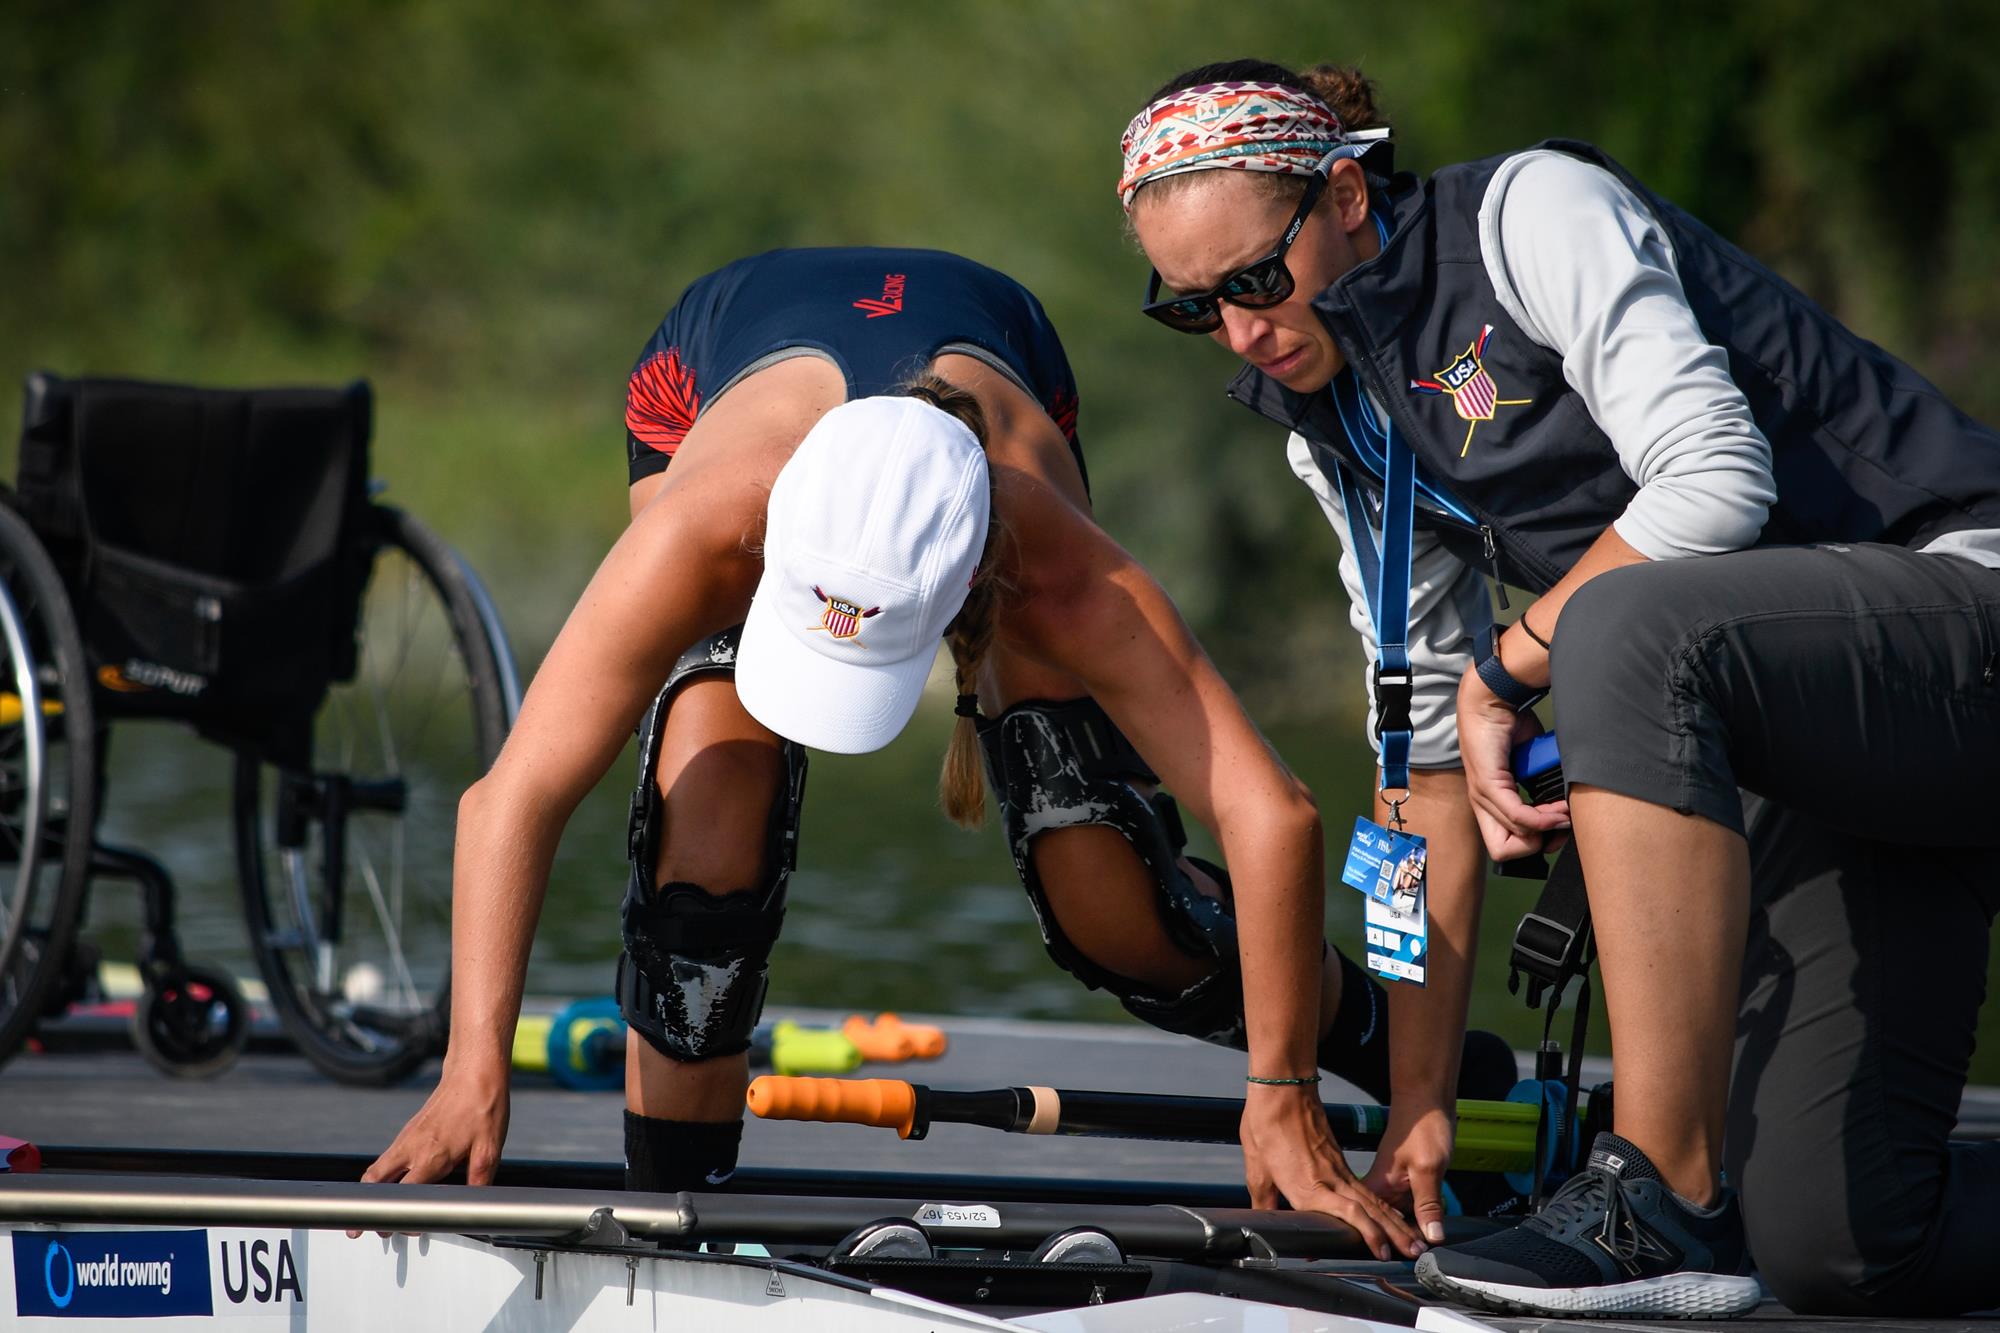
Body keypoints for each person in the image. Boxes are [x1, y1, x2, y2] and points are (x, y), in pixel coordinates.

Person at [359, 247, 1508, 1260]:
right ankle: (675, 1211)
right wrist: (473, 1074)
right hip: (708, 366)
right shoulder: (702, 529)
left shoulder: (1056, 567)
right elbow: (509, 801)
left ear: (971, 581)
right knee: (707, 843)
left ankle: (1406, 1052)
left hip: (1003, 358)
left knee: (1105, 887)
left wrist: (1280, 1092)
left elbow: (1274, 815)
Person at [1120, 64, 2000, 1318]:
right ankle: (1700, 1191)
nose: (1243, 332)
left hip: (1960, 618)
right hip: (1822, 755)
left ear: (1346, 197)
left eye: (1256, 280)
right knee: (1842, 1246)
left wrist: (1505, 662)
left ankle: (1653, 1195)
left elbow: (1710, 479)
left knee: (1621, 630)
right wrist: (1421, 1106)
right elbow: (1420, 773)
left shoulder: (1530, 213)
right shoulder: (1336, 430)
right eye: (1193, 308)